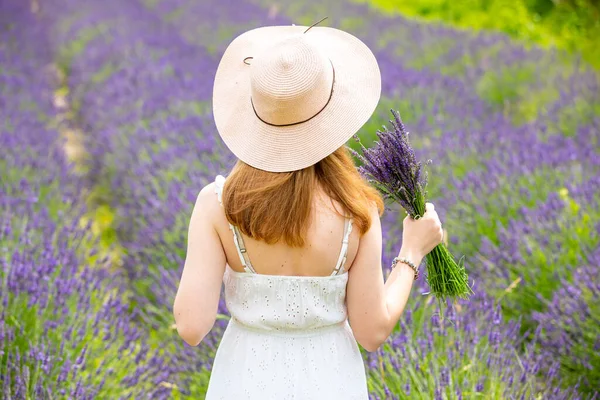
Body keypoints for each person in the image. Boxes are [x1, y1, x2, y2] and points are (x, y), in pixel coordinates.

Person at [173, 23, 444, 399]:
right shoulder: (357, 210)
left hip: (245, 377)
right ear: (334, 114)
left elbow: (191, 327)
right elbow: (372, 332)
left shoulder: (218, 204)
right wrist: (412, 252)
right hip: (331, 379)